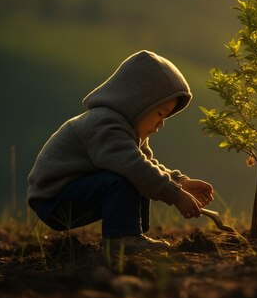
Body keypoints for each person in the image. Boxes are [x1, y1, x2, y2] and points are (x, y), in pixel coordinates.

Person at [27, 50, 213, 252]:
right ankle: (122, 238)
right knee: (128, 176)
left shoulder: (128, 130)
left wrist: (180, 182)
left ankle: (133, 234)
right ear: (138, 102)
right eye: (160, 114)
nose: (161, 124)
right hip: (54, 200)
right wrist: (175, 195)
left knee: (140, 174)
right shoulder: (104, 124)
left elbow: (148, 166)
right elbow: (135, 167)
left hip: (73, 191)